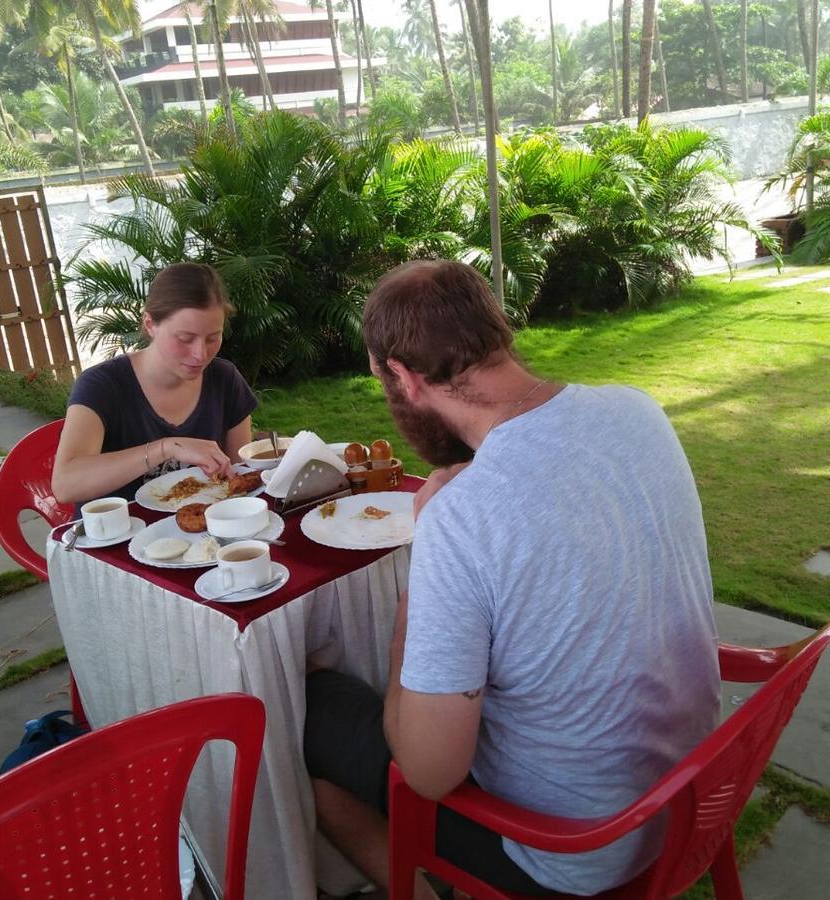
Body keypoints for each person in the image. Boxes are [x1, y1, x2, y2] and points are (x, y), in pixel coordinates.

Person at [304, 260, 720, 898]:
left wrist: (415, 601)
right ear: (498, 332)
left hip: (571, 855)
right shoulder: (638, 410)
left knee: (308, 715)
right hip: (688, 798)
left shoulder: (463, 516)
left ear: (402, 376)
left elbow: (429, 771)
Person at [52, 262, 257, 506]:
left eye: (213, 338)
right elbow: (65, 485)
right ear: (150, 324)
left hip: (204, 537)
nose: (200, 354)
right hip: (116, 536)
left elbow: (241, 478)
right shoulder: (101, 385)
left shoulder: (224, 379)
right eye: (185, 338)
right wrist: (166, 448)